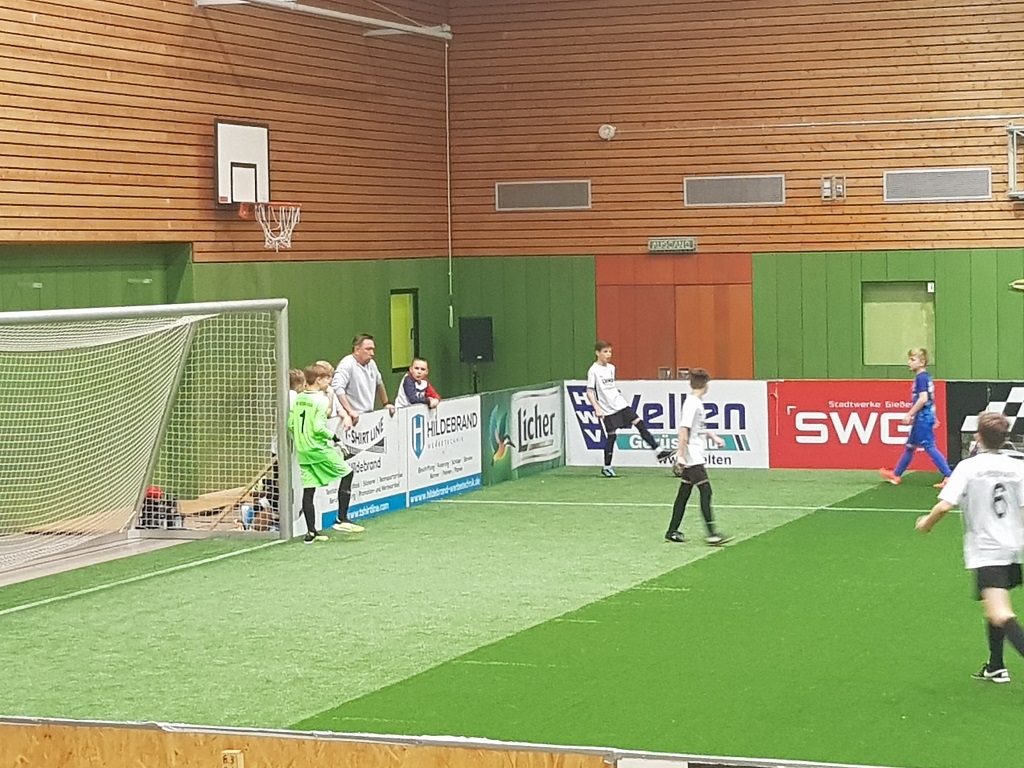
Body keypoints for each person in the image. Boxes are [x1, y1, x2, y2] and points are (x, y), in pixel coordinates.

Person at [916, 411, 1024, 684]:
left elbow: (944, 505)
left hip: (987, 549)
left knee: (1000, 613)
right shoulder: (1017, 467)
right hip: (1011, 548)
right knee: (994, 606)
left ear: (978, 436)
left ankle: (997, 665)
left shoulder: (968, 467)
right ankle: (996, 665)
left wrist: (926, 523)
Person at [288, 366, 362, 543]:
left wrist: (301, 438)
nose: (329, 382)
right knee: (347, 472)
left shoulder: (299, 398)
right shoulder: (320, 400)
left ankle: (311, 532)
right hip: (317, 448)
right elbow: (318, 428)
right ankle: (341, 519)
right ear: (319, 380)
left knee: (309, 489)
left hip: (303, 450)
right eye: (327, 378)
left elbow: (291, 423)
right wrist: (336, 438)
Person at [665, 367, 732, 546]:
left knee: (684, 493)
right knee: (705, 491)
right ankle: (712, 534)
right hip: (692, 455)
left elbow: (698, 427)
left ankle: (672, 531)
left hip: (694, 453)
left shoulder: (696, 402)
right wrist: (680, 455)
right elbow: (684, 430)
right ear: (706, 385)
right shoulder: (692, 404)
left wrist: (713, 437)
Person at [586, 340, 673, 476]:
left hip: (620, 404)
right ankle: (607, 466)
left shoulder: (611, 368)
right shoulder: (594, 370)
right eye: (605, 352)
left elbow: (610, 387)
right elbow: (590, 391)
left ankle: (659, 451)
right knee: (612, 436)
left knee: (639, 422)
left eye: (610, 351)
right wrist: (597, 407)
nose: (608, 354)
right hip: (607, 409)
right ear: (597, 353)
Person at [880, 347, 952, 488]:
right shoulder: (926, 377)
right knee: (910, 446)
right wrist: (934, 416)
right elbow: (931, 399)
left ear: (922, 362)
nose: (909, 362)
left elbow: (923, 399)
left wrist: (910, 414)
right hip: (925, 416)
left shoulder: (921, 378)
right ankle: (896, 474)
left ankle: (949, 475)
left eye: (912, 359)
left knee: (929, 446)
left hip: (922, 417)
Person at [331, 334, 395, 425]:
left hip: (368, 414)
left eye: (373, 349)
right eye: (368, 349)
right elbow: (337, 388)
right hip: (353, 418)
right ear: (357, 349)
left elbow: (379, 382)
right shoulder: (346, 364)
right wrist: (349, 410)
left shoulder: (372, 363)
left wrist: (386, 403)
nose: (372, 353)